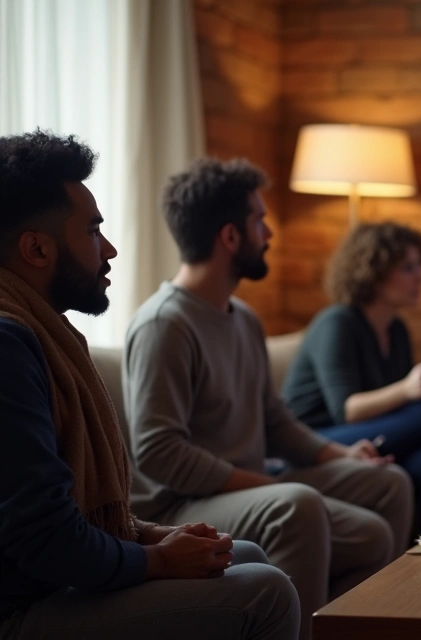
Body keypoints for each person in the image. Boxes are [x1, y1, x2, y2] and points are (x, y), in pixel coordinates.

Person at [0, 131, 298, 639]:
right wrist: (156, 560)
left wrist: (157, 537)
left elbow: (74, 519)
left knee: (240, 554)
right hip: (18, 610)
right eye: (94, 231)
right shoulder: (8, 345)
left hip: (48, 582)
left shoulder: (41, 333)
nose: (110, 249)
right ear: (35, 248)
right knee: (267, 593)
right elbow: (44, 538)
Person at [123, 158, 412, 640]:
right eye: (260, 220)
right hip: (181, 506)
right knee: (296, 503)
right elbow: (157, 452)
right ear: (230, 237)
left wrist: (344, 455)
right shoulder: (164, 325)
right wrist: (261, 482)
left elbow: (276, 421)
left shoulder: (244, 319)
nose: (270, 231)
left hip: (249, 487)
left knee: (388, 484)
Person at [281, 222, 421, 536]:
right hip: (317, 439)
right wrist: (408, 389)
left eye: (419, 266)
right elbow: (346, 410)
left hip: (364, 433)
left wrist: (418, 387)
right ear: (372, 273)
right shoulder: (337, 322)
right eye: (407, 268)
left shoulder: (397, 330)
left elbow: (394, 406)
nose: (420, 276)